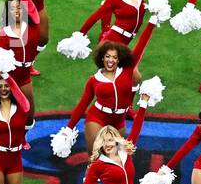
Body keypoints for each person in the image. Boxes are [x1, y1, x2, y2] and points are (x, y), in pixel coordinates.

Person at [64, 22, 156, 153]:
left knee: (113, 160)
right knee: (94, 160)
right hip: (97, 118)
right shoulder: (94, 80)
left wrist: (151, 23)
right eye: (107, 56)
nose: (110, 60)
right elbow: (83, 104)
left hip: (119, 122)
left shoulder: (127, 70)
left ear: (119, 59)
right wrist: (68, 129)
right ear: (102, 59)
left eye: (114, 57)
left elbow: (141, 44)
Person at [0, 0, 41, 142]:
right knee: (9, 112)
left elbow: (30, 4)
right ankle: (4, 138)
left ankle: (23, 137)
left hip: (25, 77)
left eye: (19, 7)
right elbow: (0, 61)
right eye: (12, 8)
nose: (16, 11)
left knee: (29, 113)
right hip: (10, 78)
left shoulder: (32, 27)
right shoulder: (4, 34)